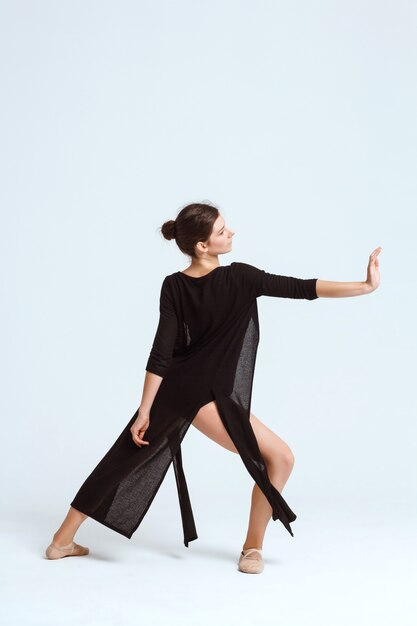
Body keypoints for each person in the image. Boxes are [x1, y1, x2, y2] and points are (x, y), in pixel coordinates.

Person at [45, 201, 382, 574]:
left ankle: (61, 541)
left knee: (123, 458)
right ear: (202, 246)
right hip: (200, 395)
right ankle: (252, 549)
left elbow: (300, 288)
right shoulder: (220, 280)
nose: (231, 233)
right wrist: (364, 286)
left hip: (182, 388)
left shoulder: (206, 281)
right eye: (222, 231)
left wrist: (364, 286)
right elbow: (161, 349)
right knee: (280, 458)